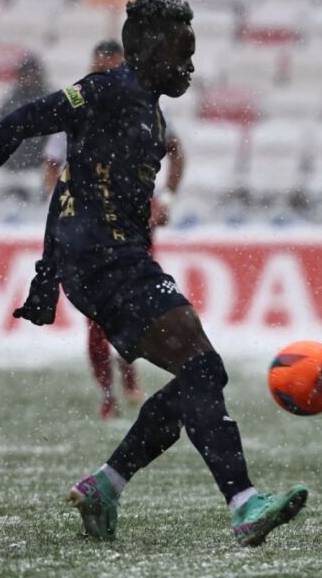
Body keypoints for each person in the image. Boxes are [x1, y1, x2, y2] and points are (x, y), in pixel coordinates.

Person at [0, 0, 307, 546]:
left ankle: (106, 485)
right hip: (99, 259)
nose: (192, 66)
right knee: (202, 367)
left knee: (201, 373)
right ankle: (243, 503)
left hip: (118, 258)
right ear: (151, 51)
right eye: (183, 53)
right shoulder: (106, 90)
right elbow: (20, 120)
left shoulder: (153, 112)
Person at [43, 38, 187, 419]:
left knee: (133, 305)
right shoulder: (74, 108)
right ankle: (108, 393)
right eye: (101, 71)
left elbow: (176, 151)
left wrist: (166, 199)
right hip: (89, 227)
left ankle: (127, 376)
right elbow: (51, 166)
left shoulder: (146, 106)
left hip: (133, 221)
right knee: (98, 315)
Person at [0, 53, 51, 201]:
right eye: (26, 74)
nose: (30, 78)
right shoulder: (11, 99)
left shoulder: (50, 97)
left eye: (33, 73)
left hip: (40, 162)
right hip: (14, 163)